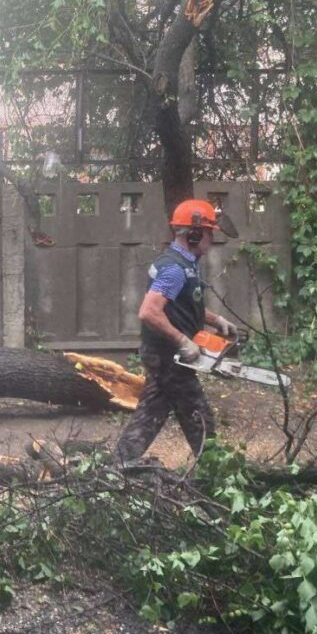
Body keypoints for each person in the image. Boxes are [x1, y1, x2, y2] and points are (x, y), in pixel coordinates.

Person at [115, 199, 238, 465]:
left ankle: (119, 463)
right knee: (197, 414)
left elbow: (180, 305)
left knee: (154, 408)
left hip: (164, 352)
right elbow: (149, 311)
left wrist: (217, 320)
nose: (211, 238)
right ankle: (215, 469)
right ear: (193, 234)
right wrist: (182, 340)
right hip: (168, 354)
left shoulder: (185, 263)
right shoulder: (174, 268)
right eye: (209, 232)